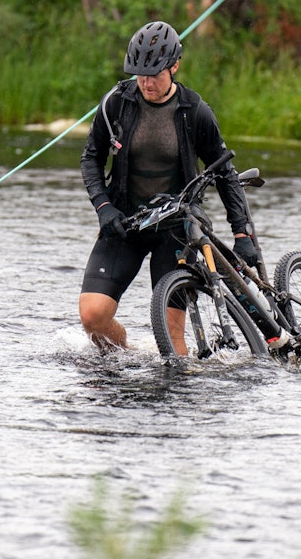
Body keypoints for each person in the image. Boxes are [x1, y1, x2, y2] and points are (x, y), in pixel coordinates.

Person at [79, 20, 262, 353]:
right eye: (140, 75)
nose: (146, 83)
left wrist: (242, 234)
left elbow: (224, 173)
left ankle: (174, 389)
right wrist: (104, 207)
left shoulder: (195, 112)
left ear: (174, 66)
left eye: (155, 74)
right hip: (125, 224)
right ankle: (126, 359)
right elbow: (91, 159)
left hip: (175, 230)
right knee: (93, 317)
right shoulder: (116, 104)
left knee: (171, 336)